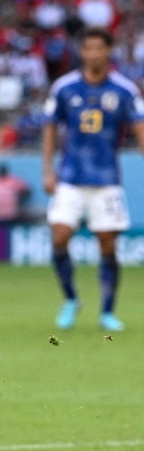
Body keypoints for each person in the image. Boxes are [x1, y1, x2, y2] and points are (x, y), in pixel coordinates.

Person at [42, 27, 144, 332]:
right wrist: (48, 170)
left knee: (107, 245)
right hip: (70, 178)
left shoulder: (125, 90)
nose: (94, 53)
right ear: (82, 52)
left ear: (109, 51)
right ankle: (71, 299)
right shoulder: (64, 88)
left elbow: (140, 129)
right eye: (89, 48)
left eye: (100, 48)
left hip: (106, 179)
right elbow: (49, 128)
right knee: (59, 237)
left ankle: (108, 311)